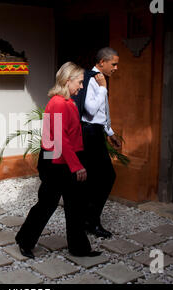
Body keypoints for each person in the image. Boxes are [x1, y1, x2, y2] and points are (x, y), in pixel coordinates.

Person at [15, 62, 101, 258]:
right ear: (68, 80)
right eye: (79, 82)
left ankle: (79, 248)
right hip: (56, 162)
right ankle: (24, 240)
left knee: (75, 205)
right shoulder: (58, 103)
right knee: (47, 204)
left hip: (63, 158)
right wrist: (77, 166)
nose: (81, 86)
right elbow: (60, 139)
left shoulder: (67, 102)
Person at [72, 47, 121, 238]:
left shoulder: (100, 80)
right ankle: (91, 221)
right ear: (102, 62)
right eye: (114, 64)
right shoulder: (90, 79)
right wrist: (102, 88)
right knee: (107, 176)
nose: (116, 68)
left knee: (96, 179)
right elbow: (91, 110)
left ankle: (88, 219)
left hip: (98, 132)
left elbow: (103, 111)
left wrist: (110, 132)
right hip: (89, 134)